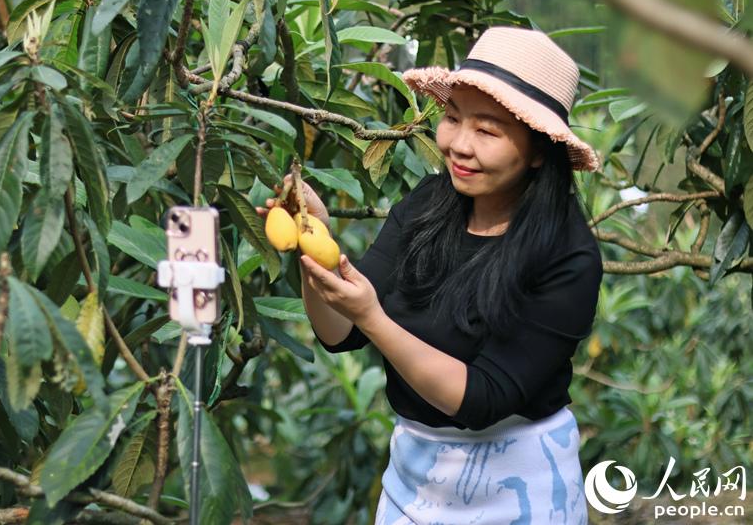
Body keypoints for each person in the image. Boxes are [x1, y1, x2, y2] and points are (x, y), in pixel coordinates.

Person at [257, 26, 604, 524]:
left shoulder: (567, 257)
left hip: (523, 487)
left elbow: (482, 399)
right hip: (415, 481)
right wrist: (315, 245)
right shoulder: (428, 204)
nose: (459, 145)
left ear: (537, 150)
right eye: (453, 119)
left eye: (487, 131)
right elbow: (340, 332)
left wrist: (374, 318)